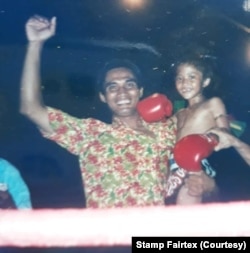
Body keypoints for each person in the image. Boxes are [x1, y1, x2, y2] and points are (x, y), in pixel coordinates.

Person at [20, 15, 214, 208]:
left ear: (140, 92)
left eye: (129, 84)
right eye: (112, 87)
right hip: (107, 236)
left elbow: (206, 179)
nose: (122, 92)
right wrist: (35, 44)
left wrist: (207, 185)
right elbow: (31, 108)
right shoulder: (89, 133)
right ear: (103, 96)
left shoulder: (167, 130)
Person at [166, 54, 230, 203]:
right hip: (173, 168)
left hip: (195, 165)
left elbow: (226, 133)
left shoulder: (213, 103)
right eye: (180, 78)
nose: (184, 83)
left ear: (205, 82)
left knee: (187, 197)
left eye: (191, 77)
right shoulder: (179, 114)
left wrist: (210, 139)